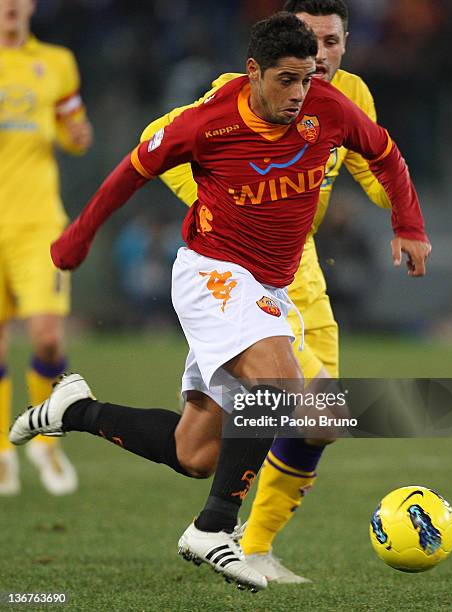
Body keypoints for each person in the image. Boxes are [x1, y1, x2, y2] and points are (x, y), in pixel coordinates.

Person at [10, 12, 430, 592]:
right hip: (214, 276)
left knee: (201, 451)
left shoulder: (327, 108)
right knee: (289, 395)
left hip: (270, 290)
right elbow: (130, 172)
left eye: (307, 78)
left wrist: (409, 223)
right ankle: (214, 529)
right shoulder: (206, 122)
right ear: (253, 72)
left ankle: (75, 409)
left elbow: (384, 152)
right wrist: (79, 235)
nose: (299, 94)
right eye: (287, 80)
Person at [139, 0, 393, 582]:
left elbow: (377, 180)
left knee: (298, 423)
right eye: (309, 42)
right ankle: (223, 530)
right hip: (243, 263)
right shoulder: (238, 93)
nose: (320, 56)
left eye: (331, 42)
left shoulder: (348, 95)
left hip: (303, 270)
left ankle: (250, 542)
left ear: (346, 44)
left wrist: (392, 190)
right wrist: (218, 201)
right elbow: (158, 139)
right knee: (300, 404)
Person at [0, 0, 93, 495]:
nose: (11, 6)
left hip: (38, 224)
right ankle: (0, 452)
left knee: (47, 339)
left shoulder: (56, 61)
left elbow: (72, 127)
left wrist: (77, 135)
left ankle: (44, 440)